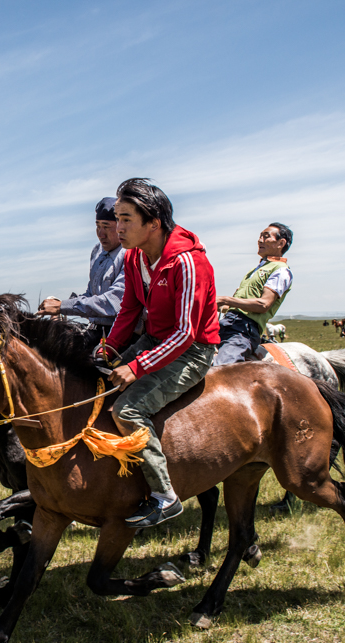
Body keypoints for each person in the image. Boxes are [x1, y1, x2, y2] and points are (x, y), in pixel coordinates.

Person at [105, 178, 220, 528]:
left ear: (153, 223)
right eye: (116, 217)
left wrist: (136, 367)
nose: (117, 227)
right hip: (157, 341)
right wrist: (108, 349)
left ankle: (164, 496)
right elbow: (128, 310)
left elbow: (186, 333)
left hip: (193, 350)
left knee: (128, 409)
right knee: (97, 381)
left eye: (126, 219)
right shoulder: (135, 257)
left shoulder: (187, 263)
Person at [37, 197, 127, 339]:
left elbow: (112, 303)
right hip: (96, 331)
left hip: (121, 335)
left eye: (106, 227)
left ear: (120, 227)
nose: (100, 233)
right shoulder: (97, 251)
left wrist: (63, 306)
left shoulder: (130, 253)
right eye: (97, 226)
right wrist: (63, 306)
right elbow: (91, 294)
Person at [213, 223, 294, 366]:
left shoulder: (281, 270)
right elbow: (235, 305)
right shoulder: (255, 270)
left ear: (281, 243)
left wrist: (226, 299)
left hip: (243, 330)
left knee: (221, 368)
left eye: (266, 236)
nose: (260, 240)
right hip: (226, 324)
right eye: (260, 236)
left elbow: (264, 304)